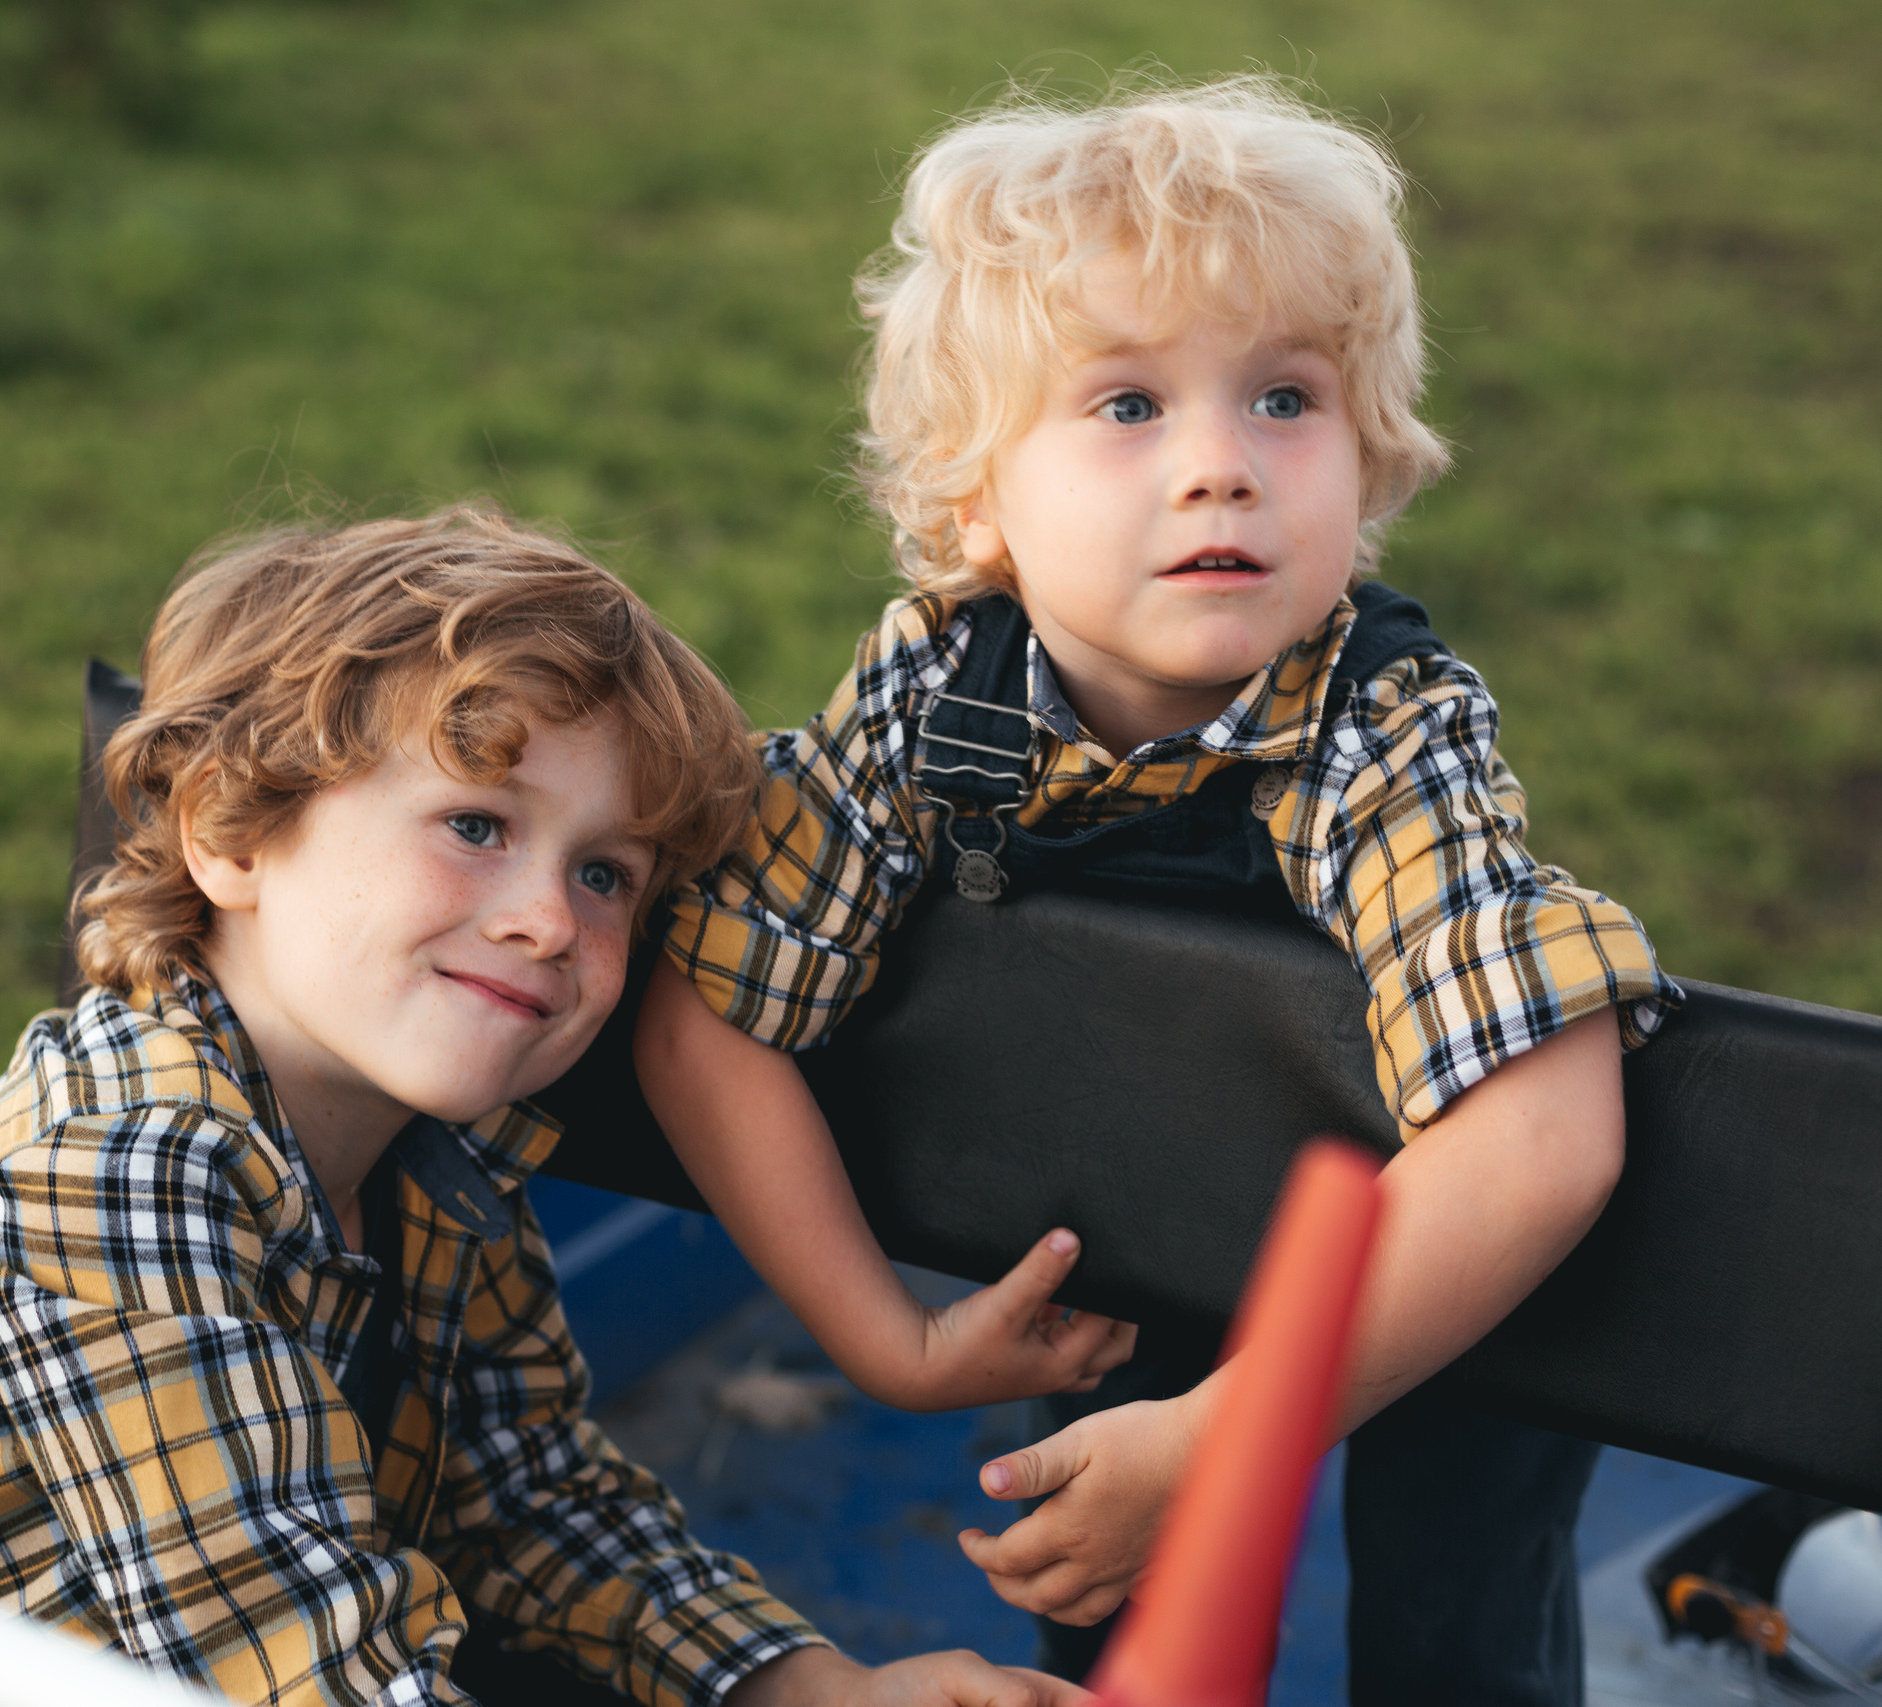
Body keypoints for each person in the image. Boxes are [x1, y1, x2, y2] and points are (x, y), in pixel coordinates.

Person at [0, 509, 1089, 1707]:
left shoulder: (437, 1178)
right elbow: (292, 1659)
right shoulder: (122, 1167)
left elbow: (523, 1499)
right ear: (232, 834)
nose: (547, 919)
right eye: (476, 826)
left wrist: (800, 1682)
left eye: (607, 874)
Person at [632, 79, 1684, 1704]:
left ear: (1367, 463)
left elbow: (1542, 1133)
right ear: (977, 501)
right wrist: (885, 1336)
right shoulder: (935, 701)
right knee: (1115, 1603)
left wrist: (1228, 1443)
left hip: (1439, 1282)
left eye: (1285, 399)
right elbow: (713, 1011)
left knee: (1457, 1625)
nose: (1220, 467)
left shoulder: (1378, 727)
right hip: (1131, 1238)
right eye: (1128, 404)